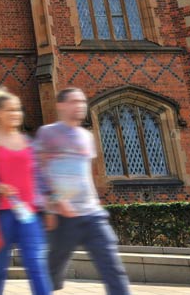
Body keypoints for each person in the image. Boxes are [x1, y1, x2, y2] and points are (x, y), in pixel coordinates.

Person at [35, 88, 131, 295]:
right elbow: (38, 172)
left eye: (82, 101)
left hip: (92, 214)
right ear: (60, 105)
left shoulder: (86, 136)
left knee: (112, 266)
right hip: (63, 216)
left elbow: (84, 175)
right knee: (53, 271)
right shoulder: (48, 133)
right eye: (74, 101)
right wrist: (53, 204)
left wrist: (95, 204)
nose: (80, 105)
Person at [0, 87, 52, 295]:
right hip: (1, 213)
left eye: (17, 109)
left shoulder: (28, 143)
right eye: (10, 109)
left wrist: (48, 206)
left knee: (36, 263)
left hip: (29, 214)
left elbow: (39, 178)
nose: (16, 114)